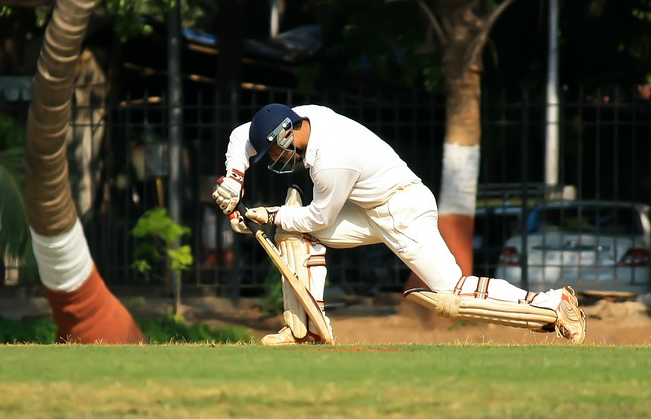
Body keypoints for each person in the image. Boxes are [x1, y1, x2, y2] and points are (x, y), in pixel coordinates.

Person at [212, 103, 585, 345]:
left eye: (274, 149)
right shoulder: (301, 115)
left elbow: (321, 216)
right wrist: (233, 178)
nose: (275, 157)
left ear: (286, 134)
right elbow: (241, 135)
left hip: (402, 211)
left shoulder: (331, 161)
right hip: (368, 209)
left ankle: (554, 303)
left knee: (453, 291)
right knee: (297, 230)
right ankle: (310, 328)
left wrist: (271, 214)